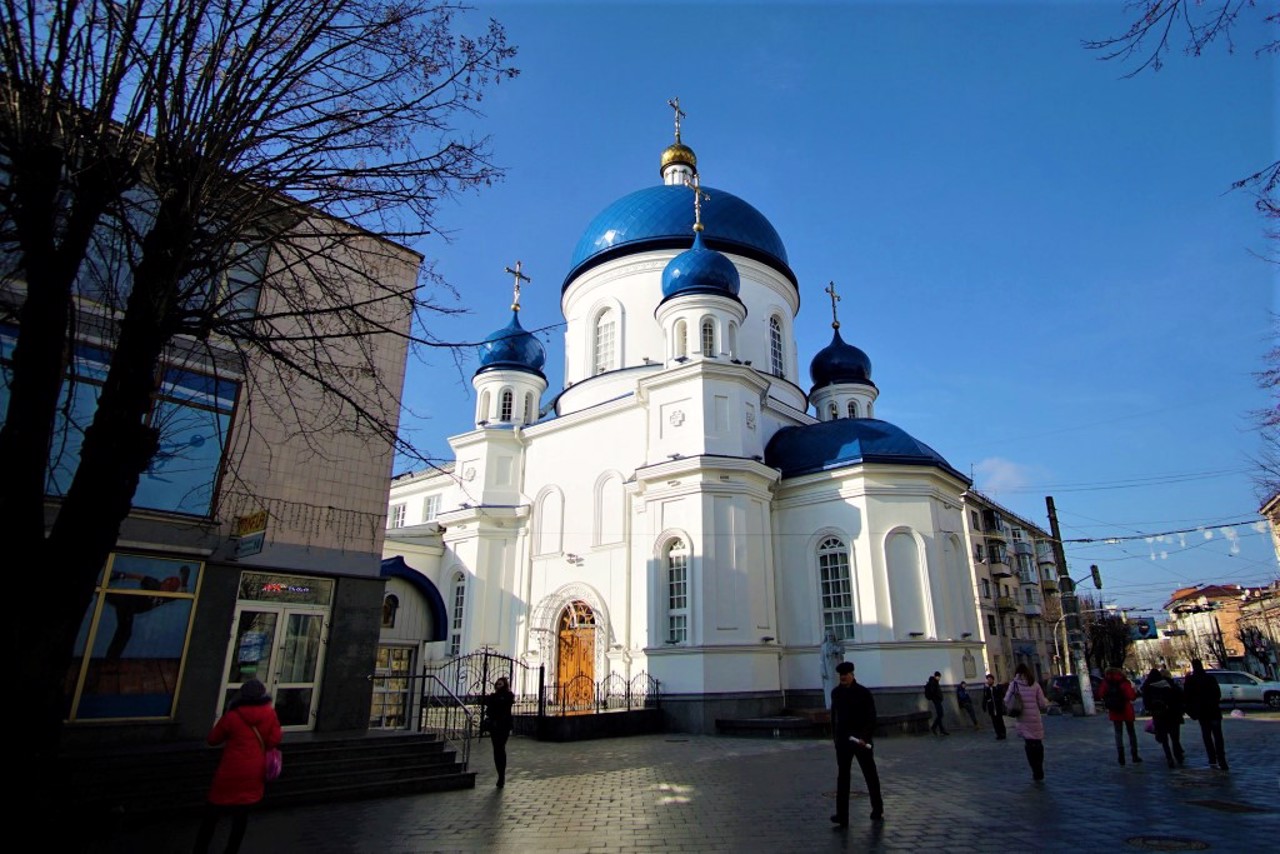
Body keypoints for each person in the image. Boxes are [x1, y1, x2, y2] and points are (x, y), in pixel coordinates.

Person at [194, 679, 282, 854]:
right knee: (241, 816)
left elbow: (213, 739)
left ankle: (200, 849)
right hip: (254, 771)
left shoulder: (233, 716)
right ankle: (231, 850)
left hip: (229, 771)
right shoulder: (269, 714)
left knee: (212, 814)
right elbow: (273, 741)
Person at [829, 661, 883, 827]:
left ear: (852, 675)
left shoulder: (863, 692)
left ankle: (877, 808)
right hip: (844, 741)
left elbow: (871, 717)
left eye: (846, 675)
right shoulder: (836, 693)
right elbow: (834, 717)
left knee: (870, 774)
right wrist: (836, 738)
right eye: (841, 676)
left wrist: (865, 738)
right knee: (843, 777)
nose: (843, 678)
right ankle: (842, 815)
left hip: (861, 740)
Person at [1004, 662, 1049, 781]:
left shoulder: (1014, 685)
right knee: (1038, 743)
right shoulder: (1034, 684)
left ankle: (1034, 769)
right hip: (1035, 717)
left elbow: (1006, 700)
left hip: (1022, 718)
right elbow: (1042, 703)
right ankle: (1039, 767)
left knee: (1029, 744)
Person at [1182, 658, 1228, 770]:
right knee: (1218, 736)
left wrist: (1192, 712)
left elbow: (1187, 698)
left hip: (1202, 713)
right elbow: (1218, 693)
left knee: (1207, 736)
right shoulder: (1210, 678)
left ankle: (1212, 759)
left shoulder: (1190, 680)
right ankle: (1222, 760)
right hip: (1214, 710)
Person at [1141, 666, 1185, 768]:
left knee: (1165, 740)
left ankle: (1169, 758)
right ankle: (1178, 756)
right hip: (1172, 715)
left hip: (1159, 716)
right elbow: (1178, 698)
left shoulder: (1148, 687)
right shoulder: (1167, 685)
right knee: (1175, 738)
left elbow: (1146, 705)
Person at [1098, 666, 1142, 766]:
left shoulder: (1106, 682)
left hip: (1114, 710)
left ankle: (1121, 756)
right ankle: (1134, 755)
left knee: (1118, 733)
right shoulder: (1124, 682)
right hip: (1126, 710)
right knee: (1131, 733)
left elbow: (1100, 694)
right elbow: (1131, 696)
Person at [482, 676, 516, 787]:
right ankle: (500, 774)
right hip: (494, 726)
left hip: (504, 726)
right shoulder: (493, 696)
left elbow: (505, 706)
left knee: (500, 747)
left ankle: (502, 775)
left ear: (505, 685)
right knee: (496, 749)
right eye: (497, 684)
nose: (498, 686)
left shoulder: (508, 696)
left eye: (500, 684)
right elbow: (489, 710)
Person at [820, 630, 846, 710]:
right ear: (826, 637)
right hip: (828, 670)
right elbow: (822, 660)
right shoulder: (824, 647)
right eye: (829, 636)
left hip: (836, 669)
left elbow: (842, 653)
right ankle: (830, 704)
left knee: (837, 686)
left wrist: (839, 649)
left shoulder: (836, 645)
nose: (830, 637)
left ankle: (838, 703)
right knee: (829, 687)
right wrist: (823, 671)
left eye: (832, 636)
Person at [981, 673, 1007, 740]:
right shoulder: (987, 689)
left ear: (993, 680)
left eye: (990, 679)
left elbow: (1002, 694)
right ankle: (998, 734)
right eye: (988, 680)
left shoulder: (997, 687)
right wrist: (984, 705)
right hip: (991, 707)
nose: (989, 681)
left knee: (1000, 720)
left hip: (998, 706)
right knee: (994, 722)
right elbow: (985, 697)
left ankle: (1003, 733)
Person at [924, 671, 949, 735]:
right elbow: (933, 691)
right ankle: (934, 727)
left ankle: (941, 729)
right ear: (936, 676)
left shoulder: (935, 682)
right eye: (939, 677)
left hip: (937, 700)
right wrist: (937, 697)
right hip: (936, 700)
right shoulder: (933, 682)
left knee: (939, 714)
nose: (939, 678)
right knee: (940, 714)